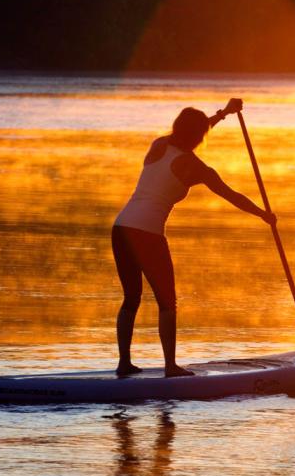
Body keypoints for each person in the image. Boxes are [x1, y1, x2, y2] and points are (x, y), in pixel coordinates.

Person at [112, 98, 277, 377]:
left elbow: (195, 130)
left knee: (131, 298)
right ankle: (170, 367)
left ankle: (124, 364)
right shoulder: (196, 167)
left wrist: (222, 114)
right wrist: (263, 214)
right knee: (167, 302)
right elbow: (232, 195)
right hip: (148, 234)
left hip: (121, 228)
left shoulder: (159, 145)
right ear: (199, 136)